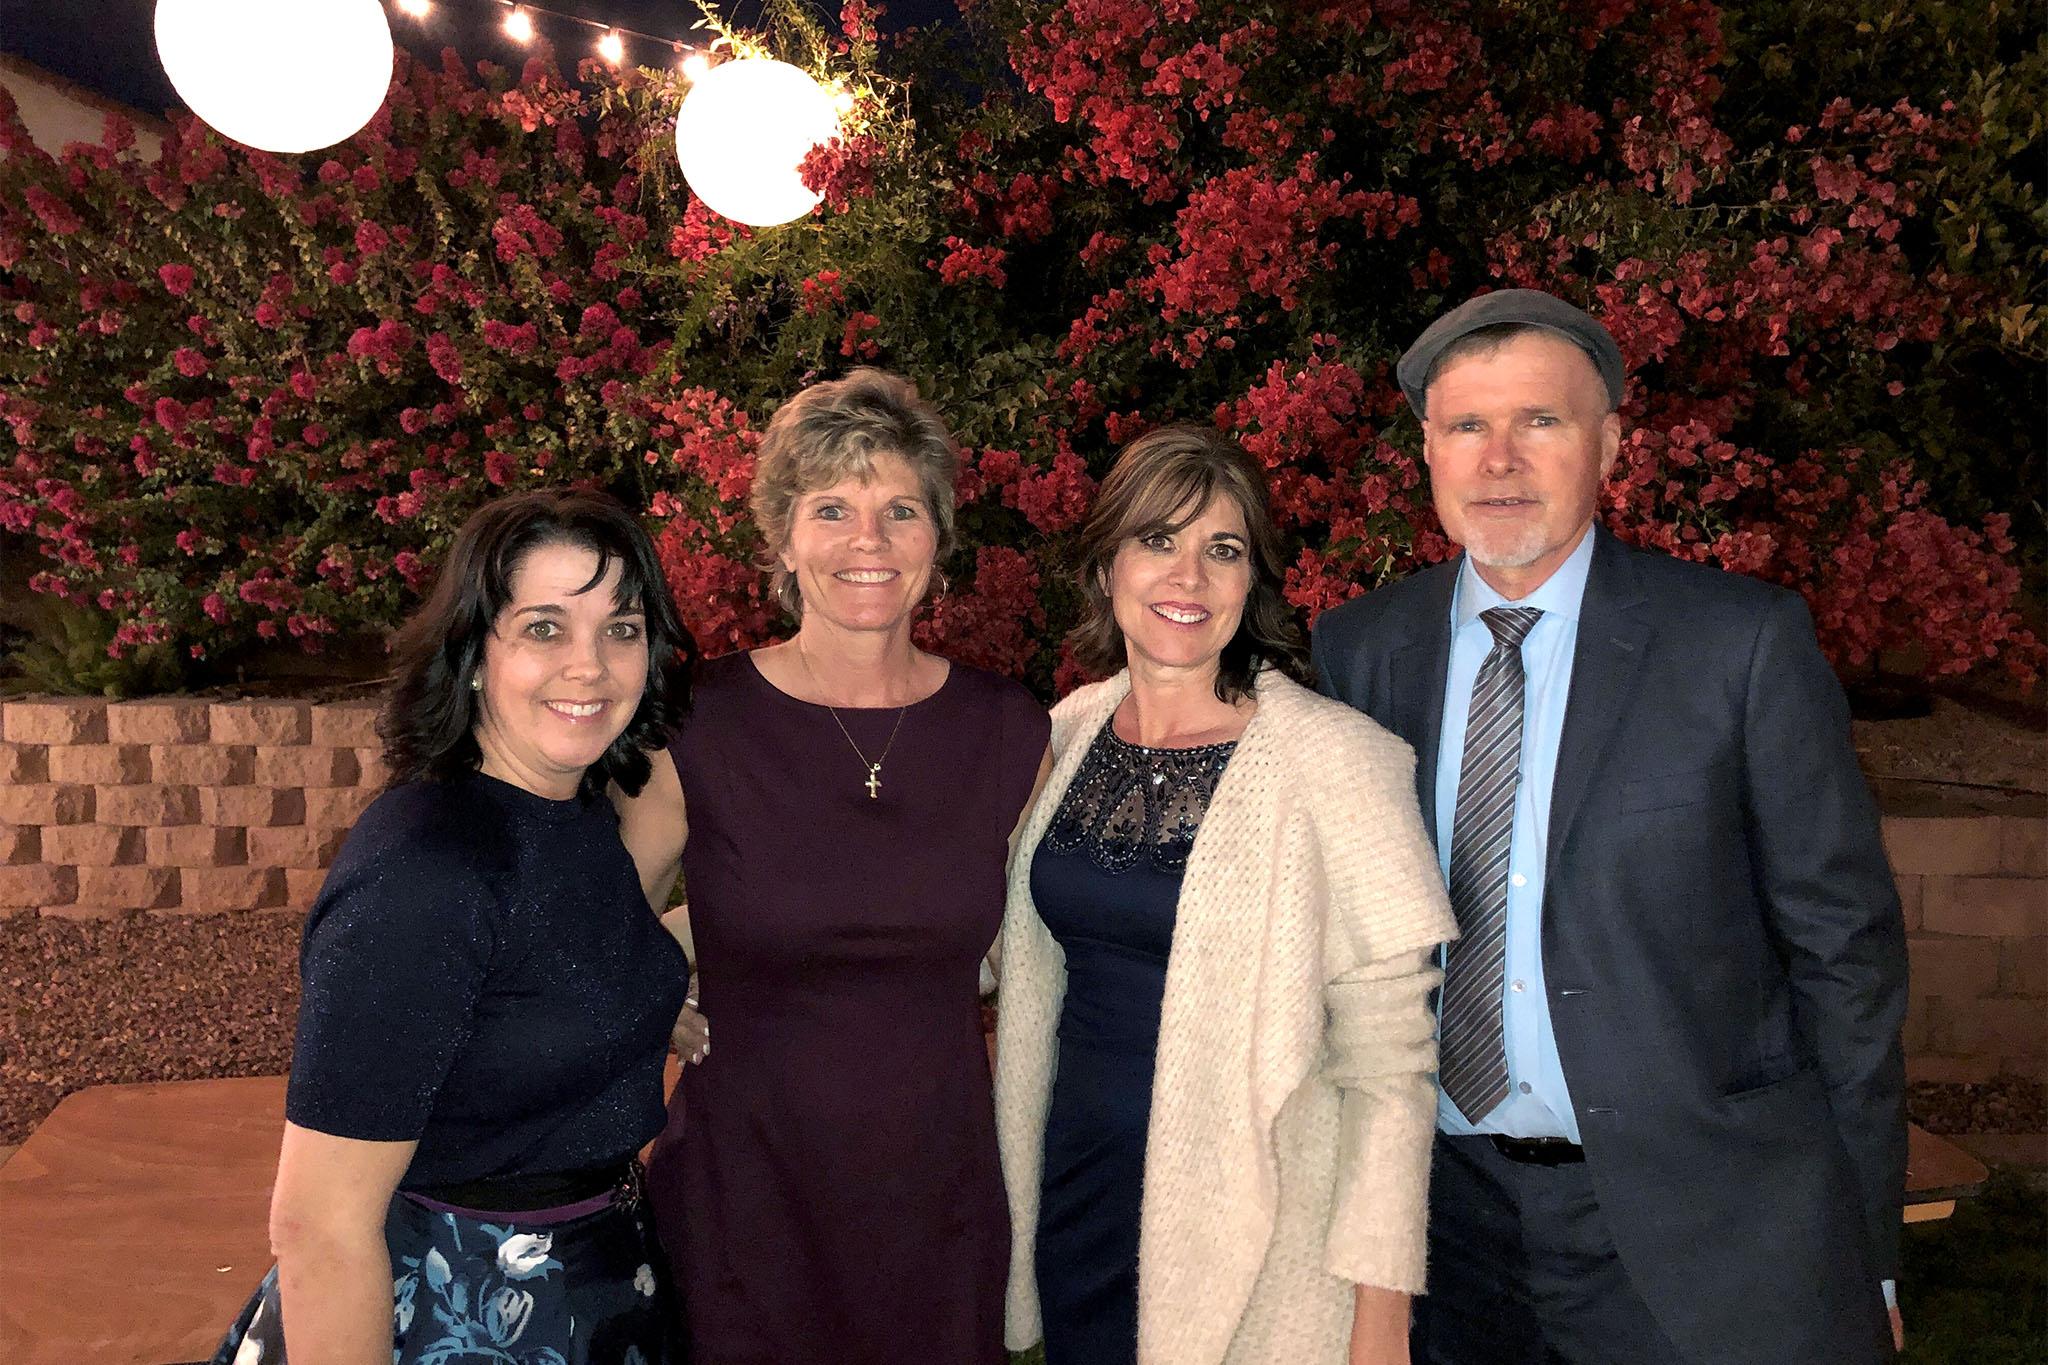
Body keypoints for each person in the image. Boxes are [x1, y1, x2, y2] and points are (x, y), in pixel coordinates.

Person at [1311, 289, 1909, 1365]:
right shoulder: (1359, 651)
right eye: (1465, 427)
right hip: (1444, 1228)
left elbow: (1844, 956)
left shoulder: (1738, 645)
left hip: (1695, 1225)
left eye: (1538, 421)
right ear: (1426, 453)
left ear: (1608, 444)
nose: (1498, 460)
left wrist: (1864, 1244)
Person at [993, 425, 1458, 1365]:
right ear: (1107, 563)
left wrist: (1381, 1321)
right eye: (1158, 539)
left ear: (1255, 582)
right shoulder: (1065, 733)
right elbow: (953, 929)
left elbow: (1391, 1071)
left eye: (1224, 548)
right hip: (1079, 1198)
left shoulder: (1338, 759)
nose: (1189, 576)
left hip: (1263, 1234)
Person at [614, 367, 1051, 1365]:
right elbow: (588, 919)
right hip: (743, 1198)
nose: (869, 541)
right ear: (782, 538)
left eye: (899, 508)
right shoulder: (701, 723)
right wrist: (649, 994)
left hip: (936, 1201)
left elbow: (1045, 955)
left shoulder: (1007, 731)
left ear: (937, 540)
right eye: (832, 509)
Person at [212, 490, 698, 1365]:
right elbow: (319, 1224)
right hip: (450, 1313)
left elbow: (543, 973)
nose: (590, 666)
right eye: (545, 629)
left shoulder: (572, 811)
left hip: (597, 1284)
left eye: (620, 629)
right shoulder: (427, 868)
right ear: (474, 652)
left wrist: (645, 1001)